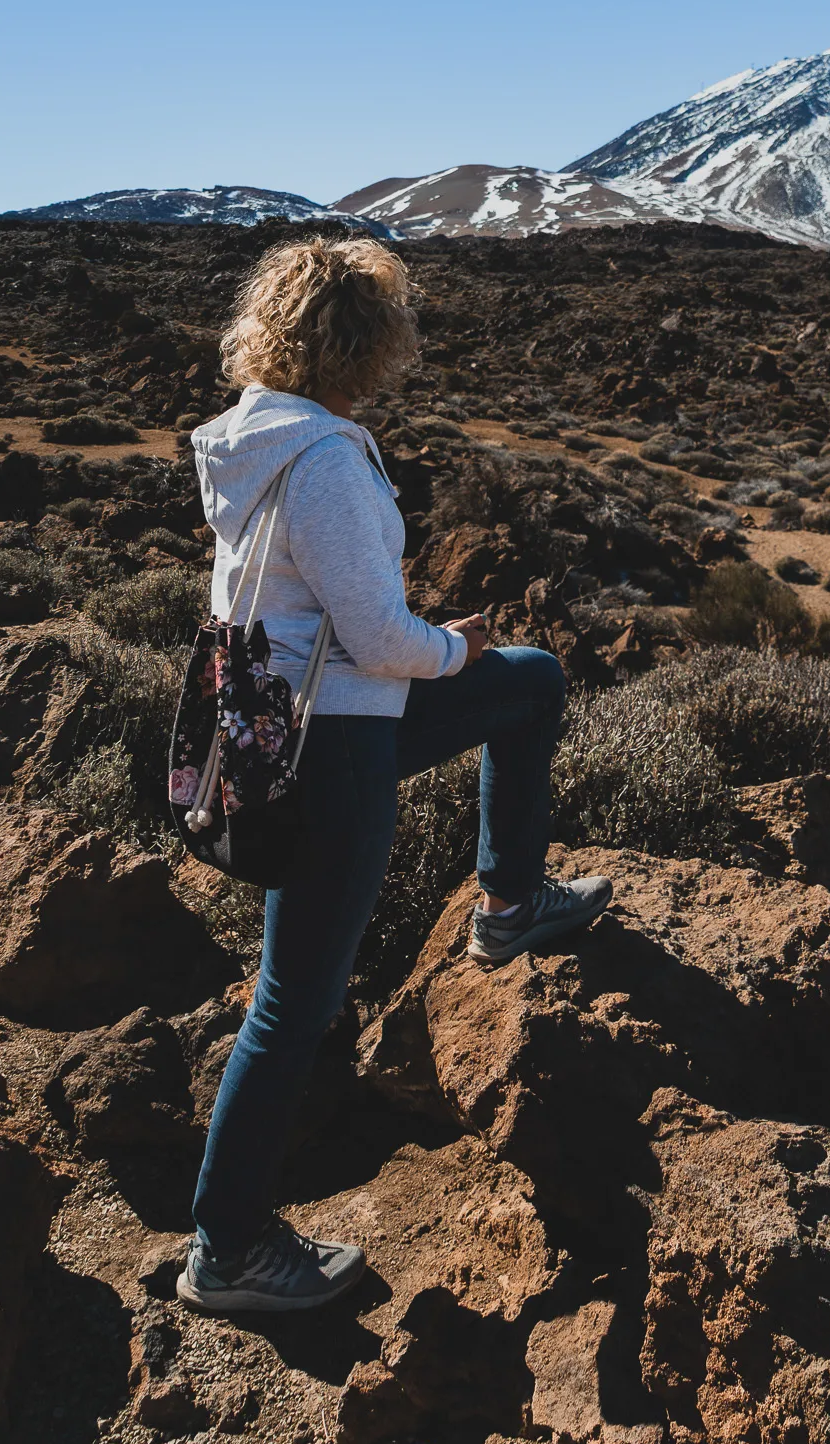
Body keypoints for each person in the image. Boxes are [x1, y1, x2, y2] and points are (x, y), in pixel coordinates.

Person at [177, 236, 611, 1316]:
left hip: (293, 728)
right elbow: (375, 636)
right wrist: (449, 644)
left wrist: (457, 660)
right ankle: (225, 1246)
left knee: (534, 681)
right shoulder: (322, 457)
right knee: (292, 1001)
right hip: (335, 747)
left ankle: (509, 899)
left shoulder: (251, 439)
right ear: (366, 342)